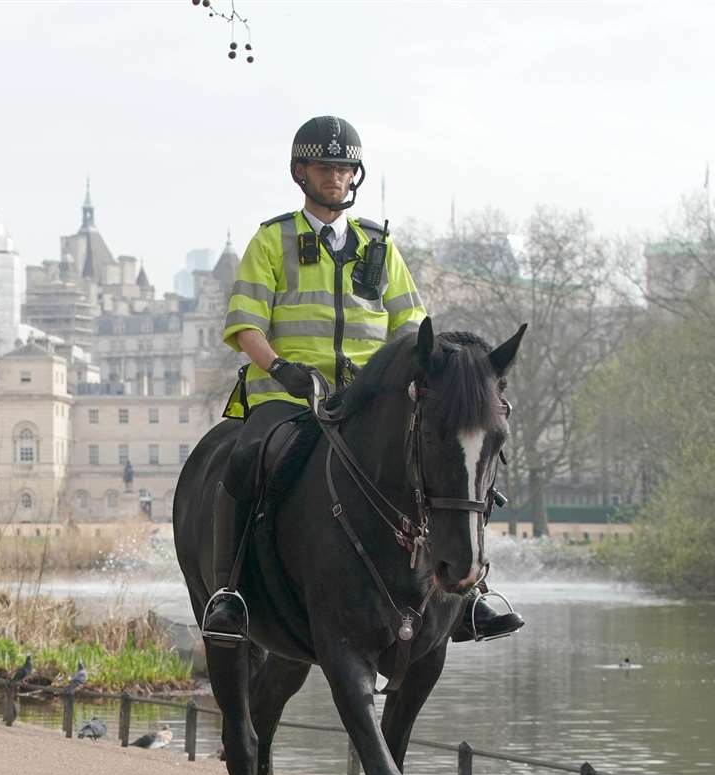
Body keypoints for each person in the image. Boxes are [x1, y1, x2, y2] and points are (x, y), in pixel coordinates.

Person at [202, 115, 524, 646]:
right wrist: (282, 369)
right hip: (288, 395)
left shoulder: (380, 245)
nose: (337, 177)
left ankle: (470, 594)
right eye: (326, 167)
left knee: (453, 462)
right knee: (247, 459)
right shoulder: (272, 239)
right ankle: (229, 594)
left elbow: (414, 328)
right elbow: (244, 326)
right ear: (301, 172)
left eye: (346, 168)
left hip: (369, 397)